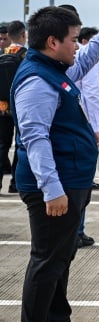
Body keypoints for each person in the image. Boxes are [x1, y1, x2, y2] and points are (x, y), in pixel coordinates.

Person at [11, 7, 99, 322]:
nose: (79, 46)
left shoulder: (54, 70)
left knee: (61, 257)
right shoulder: (36, 80)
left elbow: (85, 63)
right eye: (74, 40)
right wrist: (52, 189)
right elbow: (35, 138)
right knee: (46, 260)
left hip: (70, 180)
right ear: (52, 41)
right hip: (54, 187)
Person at [0, 20, 27, 194]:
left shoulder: (2, 54)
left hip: (2, 106)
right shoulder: (26, 55)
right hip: (21, 106)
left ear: (8, 36)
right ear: (24, 35)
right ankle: (15, 183)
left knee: (2, 144)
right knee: (20, 144)